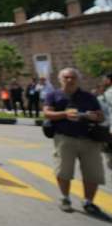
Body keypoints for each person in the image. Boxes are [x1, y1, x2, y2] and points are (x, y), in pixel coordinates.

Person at [44, 67, 106, 216]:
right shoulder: (53, 95)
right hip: (65, 138)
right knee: (64, 171)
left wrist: (94, 116)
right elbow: (47, 113)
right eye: (66, 77)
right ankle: (65, 199)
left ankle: (88, 202)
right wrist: (65, 114)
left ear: (78, 79)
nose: (70, 80)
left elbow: (101, 116)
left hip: (89, 139)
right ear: (60, 79)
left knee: (93, 173)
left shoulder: (89, 97)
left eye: (73, 77)